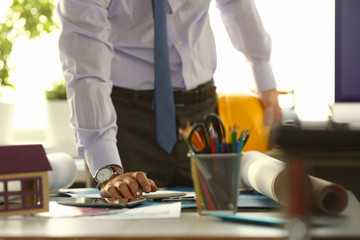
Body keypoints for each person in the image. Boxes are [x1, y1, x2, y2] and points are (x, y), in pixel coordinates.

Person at [57, 0, 282, 199]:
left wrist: (265, 81)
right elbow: (86, 73)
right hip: (126, 122)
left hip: (202, 114)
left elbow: (236, 4)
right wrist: (108, 170)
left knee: (213, 223)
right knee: (128, 227)